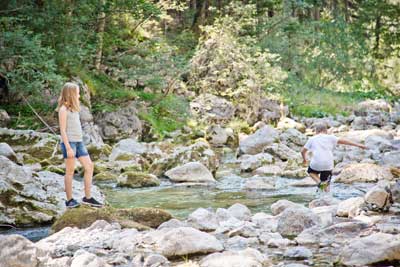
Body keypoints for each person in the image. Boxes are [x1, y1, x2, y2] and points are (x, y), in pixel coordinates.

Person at [57, 82, 103, 208]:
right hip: (69, 143)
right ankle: (69, 200)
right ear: (71, 94)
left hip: (79, 142)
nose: (79, 95)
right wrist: (67, 147)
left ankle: (87, 198)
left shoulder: (75, 109)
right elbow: (63, 131)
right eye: (77, 93)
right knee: (70, 171)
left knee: (89, 166)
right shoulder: (63, 110)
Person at [301, 123, 367, 192]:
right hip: (328, 165)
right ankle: (327, 196)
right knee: (326, 183)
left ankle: (319, 183)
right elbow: (345, 141)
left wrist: (304, 160)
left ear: (316, 131)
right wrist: (359, 145)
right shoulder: (331, 137)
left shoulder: (312, 139)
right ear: (326, 131)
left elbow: (302, 151)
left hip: (316, 163)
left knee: (311, 172)